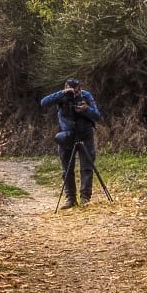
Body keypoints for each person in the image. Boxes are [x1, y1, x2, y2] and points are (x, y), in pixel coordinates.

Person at [40, 78, 102, 206]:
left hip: (85, 135)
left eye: (77, 89)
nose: (74, 92)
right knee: (67, 169)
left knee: (87, 167)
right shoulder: (61, 96)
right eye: (71, 88)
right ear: (66, 87)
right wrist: (62, 93)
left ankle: (85, 197)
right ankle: (70, 198)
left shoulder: (86, 96)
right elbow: (43, 102)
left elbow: (97, 116)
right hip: (67, 135)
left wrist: (86, 109)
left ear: (80, 87)